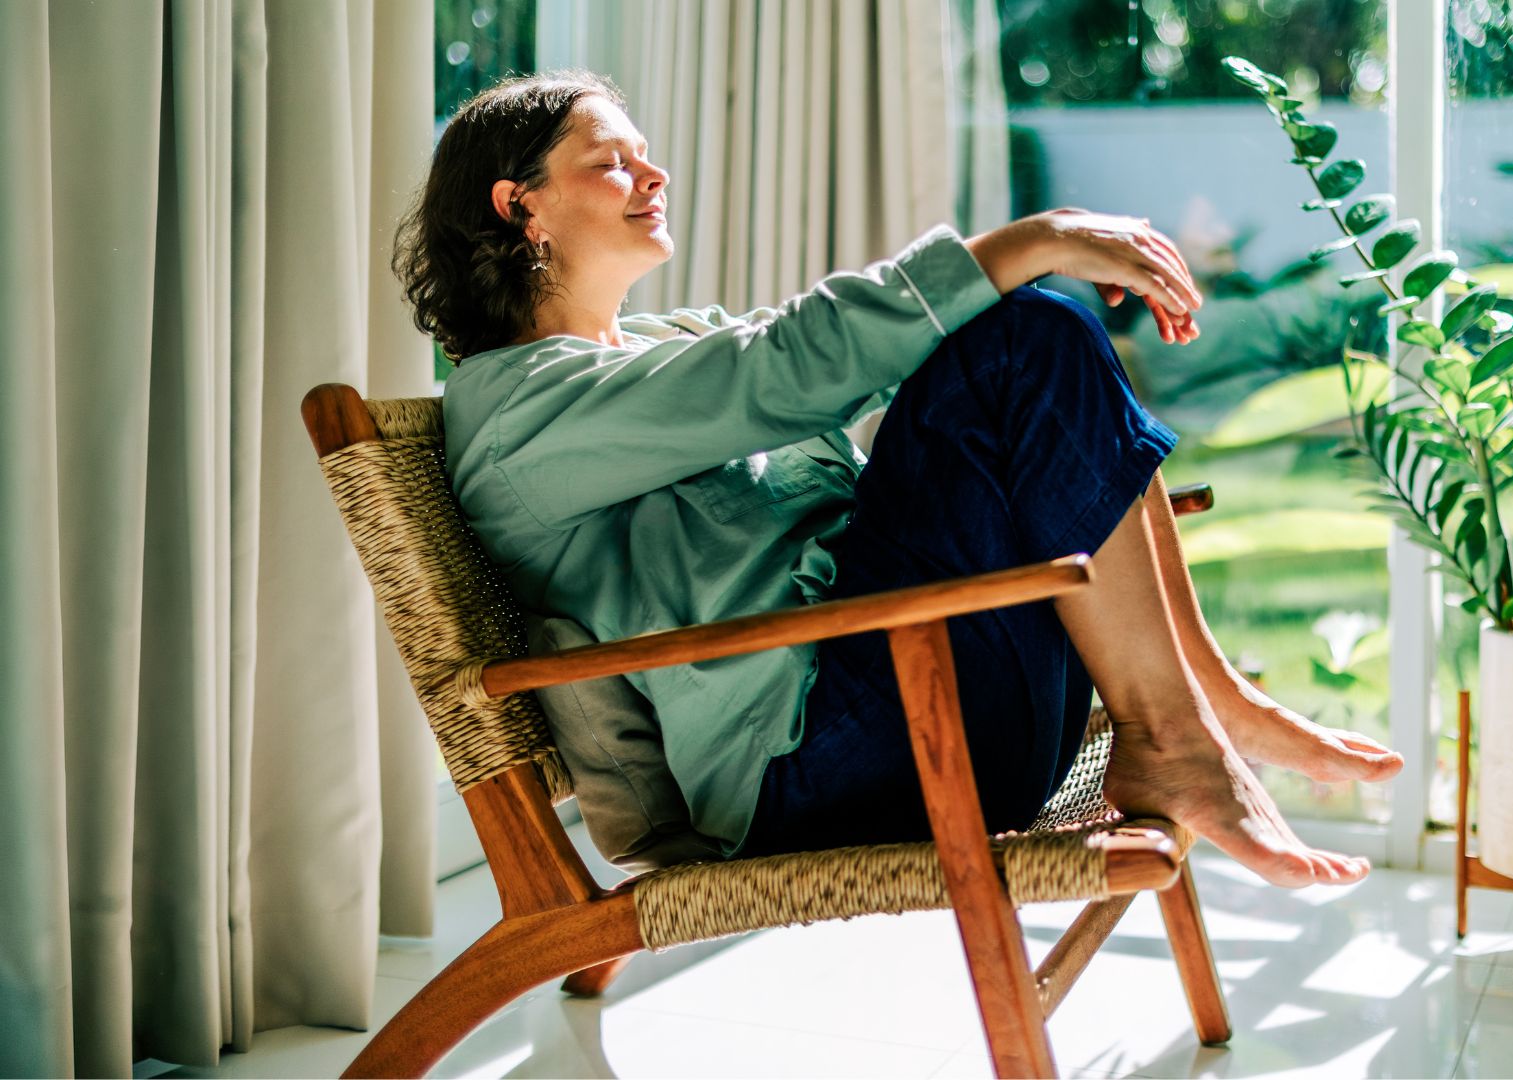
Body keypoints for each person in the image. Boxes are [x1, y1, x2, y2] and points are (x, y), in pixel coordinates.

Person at [394, 71, 1402, 889]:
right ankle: (1185, 729)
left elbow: (813, 415)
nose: (653, 173)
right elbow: (785, 372)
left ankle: (1198, 703)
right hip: (830, 763)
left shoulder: (668, 342)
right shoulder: (520, 410)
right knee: (1023, 336)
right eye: (611, 163)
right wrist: (1033, 239)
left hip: (922, 702)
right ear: (516, 206)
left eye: (647, 153)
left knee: (1029, 343)